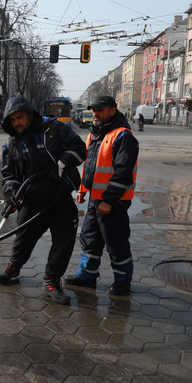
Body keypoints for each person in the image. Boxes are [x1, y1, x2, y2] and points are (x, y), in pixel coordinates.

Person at [0, 95, 86, 305]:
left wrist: (63, 163)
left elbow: (80, 149)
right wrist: (11, 194)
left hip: (59, 196)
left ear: (30, 113)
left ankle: (52, 280)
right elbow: (9, 175)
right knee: (23, 238)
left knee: (63, 241)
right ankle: (14, 267)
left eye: (19, 117)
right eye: (12, 120)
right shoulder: (11, 144)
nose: (16, 123)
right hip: (32, 199)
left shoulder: (54, 130)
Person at [64, 96, 139, 296]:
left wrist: (108, 200)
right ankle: (87, 277)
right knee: (90, 239)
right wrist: (82, 190)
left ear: (112, 111)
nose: (95, 114)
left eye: (100, 110)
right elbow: (89, 168)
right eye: (94, 110)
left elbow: (123, 172)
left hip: (113, 203)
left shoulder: (123, 135)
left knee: (116, 243)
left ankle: (123, 283)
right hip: (95, 200)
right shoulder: (95, 135)